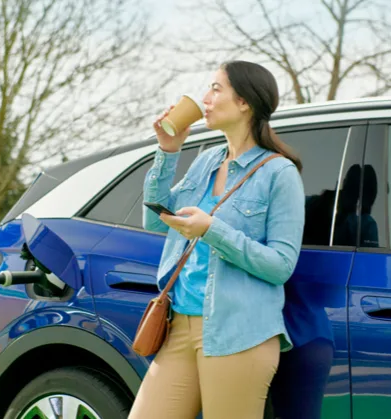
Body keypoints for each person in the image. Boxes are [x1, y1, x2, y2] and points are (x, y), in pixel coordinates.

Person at [128, 60, 306, 419]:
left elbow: (281, 265)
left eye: (215, 89)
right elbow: (156, 221)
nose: (205, 99)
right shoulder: (207, 161)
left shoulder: (279, 173)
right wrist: (167, 151)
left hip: (239, 332)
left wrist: (212, 231)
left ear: (244, 102)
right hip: (179, 325)